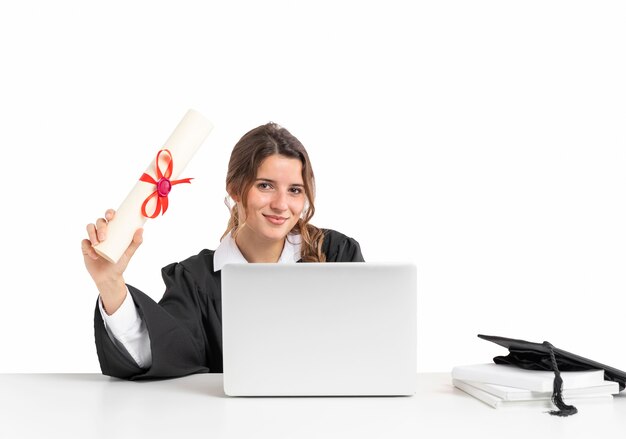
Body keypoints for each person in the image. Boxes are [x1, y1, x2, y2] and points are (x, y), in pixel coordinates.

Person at [82, 122, 364, 380]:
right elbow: (160, 354)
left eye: (294, 190)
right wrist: (111, 284)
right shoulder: (196, 282)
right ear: (235, 189)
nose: (281, 204)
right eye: (265, 186)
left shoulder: (335, 254)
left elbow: (367, 347)